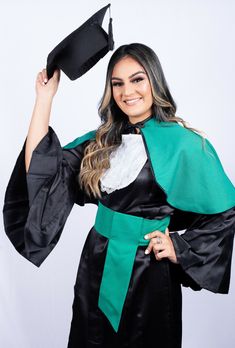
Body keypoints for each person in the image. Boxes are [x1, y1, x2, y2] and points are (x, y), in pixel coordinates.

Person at [3, 43, 235, 348]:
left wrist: (180, 246)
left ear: (154, 81)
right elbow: (42, 172)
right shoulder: (101, 141)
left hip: (148, 269)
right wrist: (44, 99)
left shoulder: (185, 143)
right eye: (117, 83)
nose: (128, 92)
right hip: (96, 263)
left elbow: (225, 210)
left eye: (137, 79)